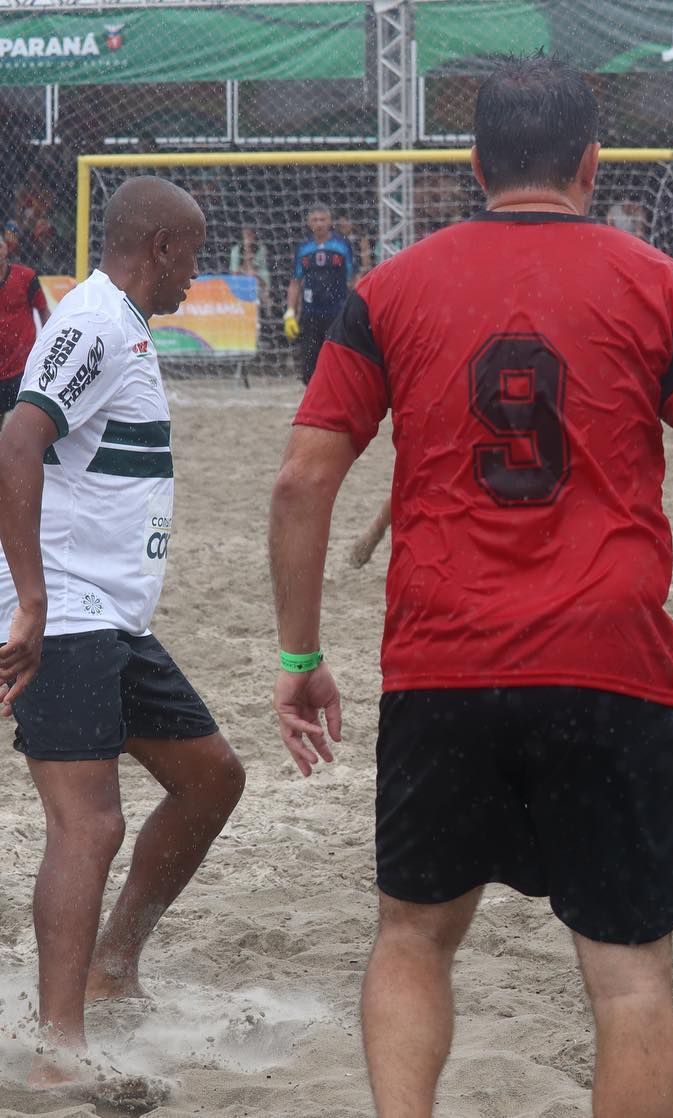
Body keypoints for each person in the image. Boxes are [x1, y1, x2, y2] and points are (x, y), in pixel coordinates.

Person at [267, 55, 673, 1118]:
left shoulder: (390, 289)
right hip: (610, 663)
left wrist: (300, 656)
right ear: (592, 162)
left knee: (413, 934)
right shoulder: (663, 287)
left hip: (442, 661)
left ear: (475, 165)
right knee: (628, 975)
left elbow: (302, 480)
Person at [0, 177, 245, 1099]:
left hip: (110, 614)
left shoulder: (122, 326)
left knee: (212, 777)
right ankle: (60, 1050)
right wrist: (30, 602)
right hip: (63, 609)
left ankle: (112, 964)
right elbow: (16, 444)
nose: (199, 270)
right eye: (194, 252)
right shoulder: (95, 323)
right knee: (88, 822)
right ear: (157, 246)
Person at [283, 203, 352, 385]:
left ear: (330, 222)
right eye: (315, 220)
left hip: (337, 313)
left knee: (337, 362)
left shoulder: (342, 246)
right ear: (309, 222)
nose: (319, 223)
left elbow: (353, 279)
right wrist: (290, 312)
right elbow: (295, 282)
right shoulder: (303, 249)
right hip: (311, 314)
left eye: (322, 219)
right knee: (309, 365)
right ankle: (312, 399)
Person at [0, 232, 50, 428]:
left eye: (0, 245)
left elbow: (44, 312)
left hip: (23, 365)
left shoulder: (26, 277)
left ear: (6, 249)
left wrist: (48, 348)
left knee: (26, 422)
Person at [228, 219, 271, 312]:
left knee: (252, 276)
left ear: (254, 235)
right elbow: (234, 274)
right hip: (242, 282)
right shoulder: (235, 250)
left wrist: (247, 248)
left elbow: (251, 271)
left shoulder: (261, 249)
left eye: (250, 234)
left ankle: (262, 309)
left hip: (260, 281)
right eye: (245, 234)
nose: (247, 236)